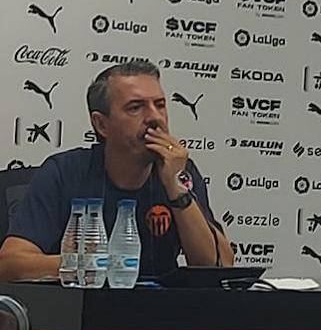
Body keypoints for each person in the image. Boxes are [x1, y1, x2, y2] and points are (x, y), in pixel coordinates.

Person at [0, 61, 231, 281]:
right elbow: (11, 264)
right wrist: (94, 264)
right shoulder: (63, 172)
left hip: (161, 313)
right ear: (101, 124)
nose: (154, 118)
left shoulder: (180, 171)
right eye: (136, 107)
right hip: (83, 312)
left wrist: (177, 188)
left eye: (159, 105)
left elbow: (218, 267)